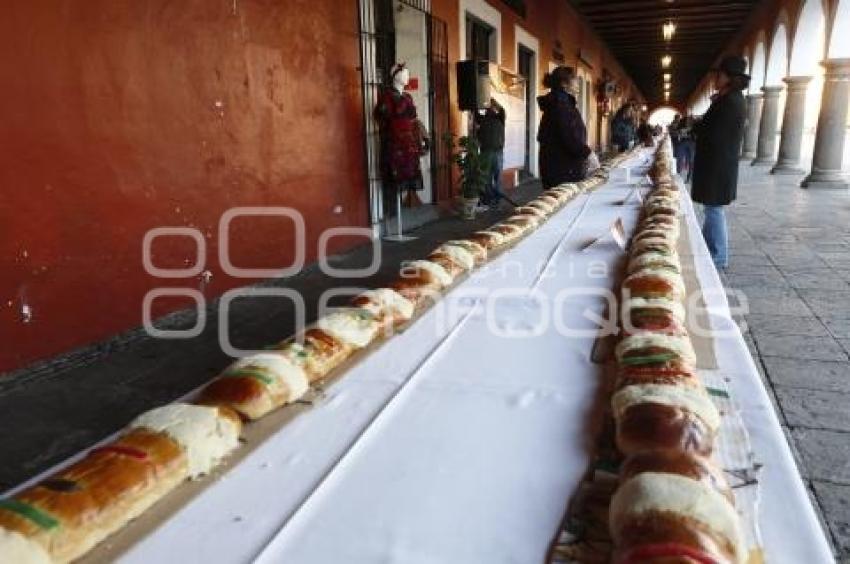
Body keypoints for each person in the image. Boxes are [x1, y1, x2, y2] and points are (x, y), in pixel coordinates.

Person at [691, 55, 749, 270]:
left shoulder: (730, 102)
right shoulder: (727, 100)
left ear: (729, 78)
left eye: (720, 74)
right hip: (718, 163)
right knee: (712, 208)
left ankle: (718, 256)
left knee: (714, 209)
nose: (717, 77)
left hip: (718, 164)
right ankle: (710, 249)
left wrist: (699, 127)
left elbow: (713, 133)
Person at [537, 66, 597, 188]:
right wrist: (588, 154)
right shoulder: (561, 104)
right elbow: (570, 136)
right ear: (564, 83)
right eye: (574, 79)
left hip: (559, 167)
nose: (577, 83)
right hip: (562, 169)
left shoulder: (561, 102)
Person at [474, 97, 506, 210]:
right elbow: (475, 112)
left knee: (497, 177)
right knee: (486, 178)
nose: (489, 109)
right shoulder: (481, 119)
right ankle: (488, 199)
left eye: (491, 107)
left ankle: (496, 199)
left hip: (498, 152)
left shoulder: (500, 117)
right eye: (488, 108)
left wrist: (492, 101)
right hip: (486, 152)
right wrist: (481, 102)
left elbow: (502, 110)